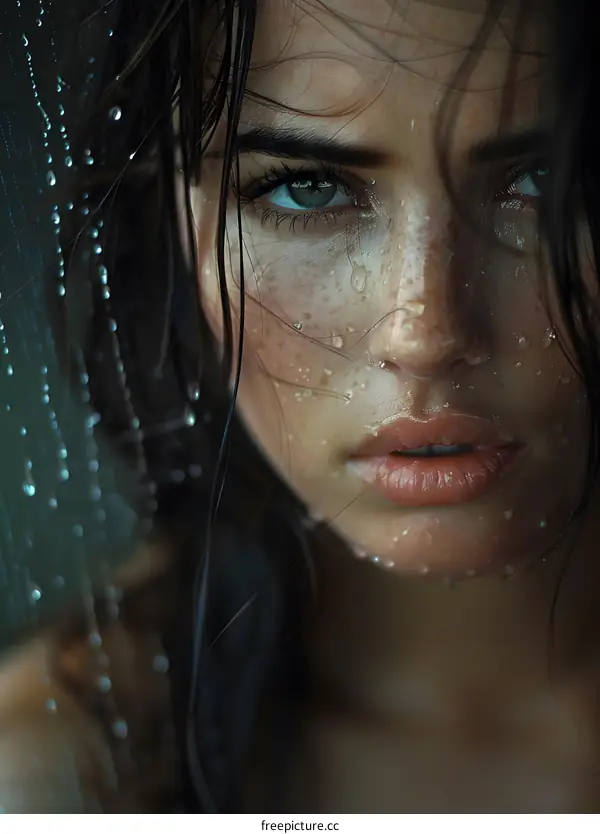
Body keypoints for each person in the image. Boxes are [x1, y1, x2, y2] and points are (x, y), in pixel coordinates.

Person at [1, 0, 600, 813]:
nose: (424, 332)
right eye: (307, 190)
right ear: (183, 219)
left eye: (544, 181)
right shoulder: (60, 778)